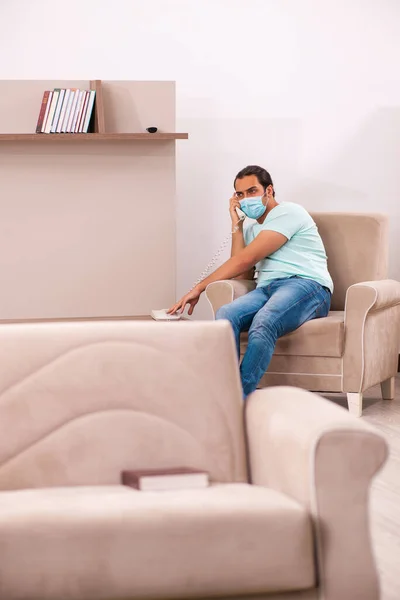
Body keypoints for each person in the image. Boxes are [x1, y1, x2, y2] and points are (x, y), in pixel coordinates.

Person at [168, 165, 333, 397]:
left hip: (307, 286)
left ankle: (237, 400)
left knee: (264, 321)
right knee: (226, 315)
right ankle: (221, 391)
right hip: (267, 288)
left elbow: (245, 260)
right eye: (240, 194)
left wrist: (198, 288)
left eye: (252, 191)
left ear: (269, 191)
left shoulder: (289, 212)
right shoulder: (253, 229)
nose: (246, 199)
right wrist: (237, 224)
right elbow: (242, 275)